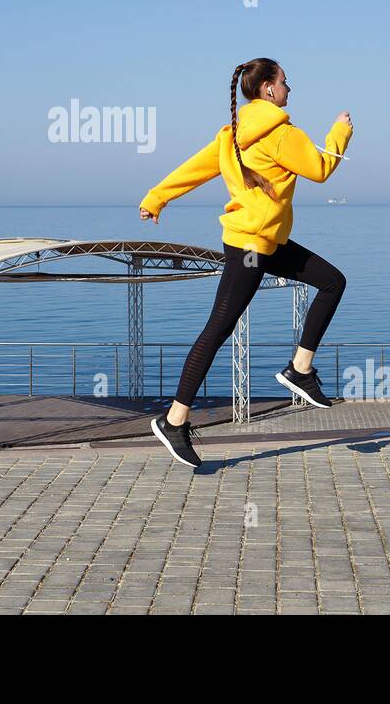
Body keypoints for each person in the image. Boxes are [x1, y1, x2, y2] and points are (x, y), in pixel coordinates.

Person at [138, 58, 353, 467]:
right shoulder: (282, 134)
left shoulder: (232, 134)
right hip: (251, 246)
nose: (291, 89)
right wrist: (340, 131)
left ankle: (300, 368)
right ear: (269, 89)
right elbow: (321, 169)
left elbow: (194, 170)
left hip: (264, 242)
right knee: (217, 329)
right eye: (286, 82)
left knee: (332, 281)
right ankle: (174, 421)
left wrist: (156, 198)